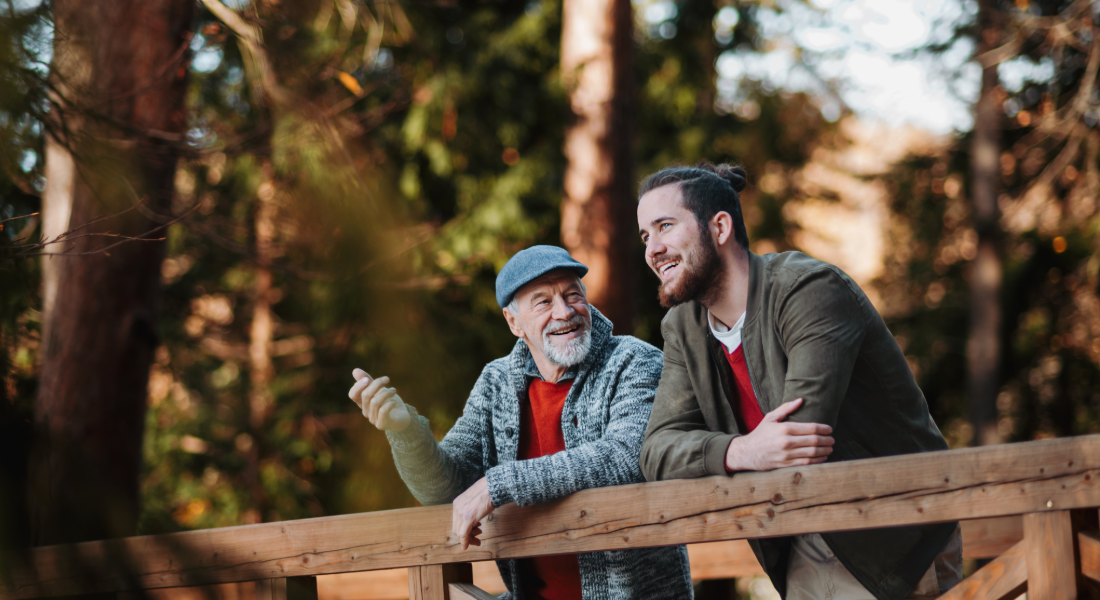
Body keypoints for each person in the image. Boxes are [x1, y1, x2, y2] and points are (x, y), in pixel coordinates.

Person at [636, 162, 962, 600]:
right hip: (801, 542)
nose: (652, 249)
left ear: (719, 227)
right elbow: (656, 452)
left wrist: (722, 456)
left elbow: (799, 441)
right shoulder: (684, 327)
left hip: (895, 536)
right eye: (645, 236)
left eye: (665, 226)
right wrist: (741, 450)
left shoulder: (809, 290)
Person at [349, 245, 693, 600]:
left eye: (573, 295)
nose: (565, 312)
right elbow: (445, 489)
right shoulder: (496, 382)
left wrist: (498, 484)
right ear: (514, 323)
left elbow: (627, 458)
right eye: (543, 302)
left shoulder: (634, 360)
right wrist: (405, 431)